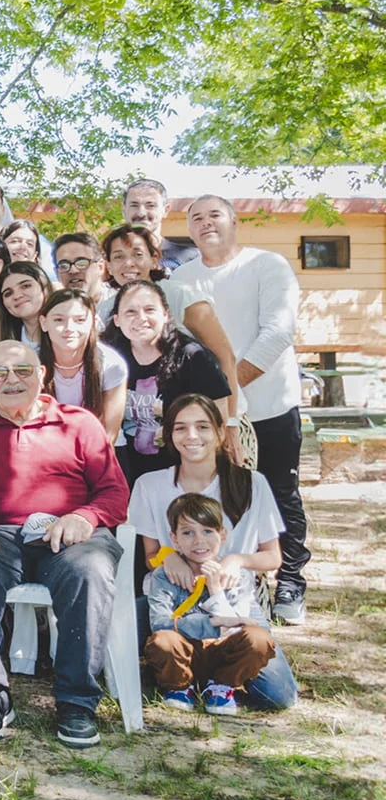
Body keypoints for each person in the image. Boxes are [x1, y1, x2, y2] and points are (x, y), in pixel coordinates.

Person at [0, 341, 129, 749]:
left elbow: (114, 493)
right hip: (0, 533)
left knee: (89, 570)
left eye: (22, 371)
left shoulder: (80, 423)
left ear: (42, 374)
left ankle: (77, 700)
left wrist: (84, 517)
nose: (12, 381)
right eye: (0, 374)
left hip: (72, 533)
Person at [174, 194, 308, 621]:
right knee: (227, 497)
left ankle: (290, 580)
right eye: (196, 218)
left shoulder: (267, 266)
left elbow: (277, 332)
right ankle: (236, 581)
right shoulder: (182, 276)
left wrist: (233, 393)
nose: (205, 223)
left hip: (268, 406)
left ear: (235, 222)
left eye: (214, 215)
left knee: (279, 493)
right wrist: (219, 410)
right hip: (214, 417)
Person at [129, 394, 295, 709]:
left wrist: (237, 559)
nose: (192, 437)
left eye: (202, 426)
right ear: (169, 435)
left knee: (277, 696)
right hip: (174, 601)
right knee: (135, 633)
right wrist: (170, 556)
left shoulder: (251, 483)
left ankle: (212, 677)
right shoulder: (150, 485)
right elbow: (150, 555)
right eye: (181, 428)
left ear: (220, 432)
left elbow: (272, 557)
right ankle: (184, 675)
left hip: (232, 602)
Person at [144, 493, 277, 716]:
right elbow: (159, 623)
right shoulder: (164, 575)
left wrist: (216, 591)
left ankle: (222, 686)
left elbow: (239, 627)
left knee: (259, 639)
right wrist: (213, 623)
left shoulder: (236, 575)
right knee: (163, 641)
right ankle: (179, 686)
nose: (199, 541)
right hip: (184, 650)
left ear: (222, 535)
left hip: (223, 652)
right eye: (187, 533)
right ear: (174, 538)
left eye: (207, 531)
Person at [106, 281, 233, 482]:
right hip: (126, 471)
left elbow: (218, 420)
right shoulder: (109, 360)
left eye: (150, 309)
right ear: (117, 319)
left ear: (165, 315)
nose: (141, 318)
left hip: (183, 469)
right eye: (130, 312)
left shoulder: (193, 357)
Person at [99, 223, 237, 385]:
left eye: (138, 254)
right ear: (108, 265)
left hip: (195, 402)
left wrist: (230, 409)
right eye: (118, 257)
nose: (129, 263)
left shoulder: (182, 296)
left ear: (153, 259)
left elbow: (225, 357)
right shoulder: (106, 309)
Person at [37, 289, 125, 443]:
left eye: (79, 320)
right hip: (47, 447)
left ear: (94, 323)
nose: (69, 328)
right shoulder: (33, 363)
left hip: (99, 447)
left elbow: (109, 433)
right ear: (44, 323)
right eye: (59, 320)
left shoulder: (111, 363)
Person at [124, 178, 200, 269]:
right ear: (124, 210)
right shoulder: (108, 258)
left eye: (150, 205)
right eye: (134, 205)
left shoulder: (191, 258)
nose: (141, 213)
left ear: (166, 210)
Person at [0, 262, 54, 345]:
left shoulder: (66, 332)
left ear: (44, 286)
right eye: (8, 293)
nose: (17, 296)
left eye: (26, 286)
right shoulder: (3, 343)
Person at [52, 233, 107, 309]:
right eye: (64, 265)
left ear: (101, 267)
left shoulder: (120, 304)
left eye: (81, 263)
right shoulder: (54, 310)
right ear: (56, 273)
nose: (73, 270)